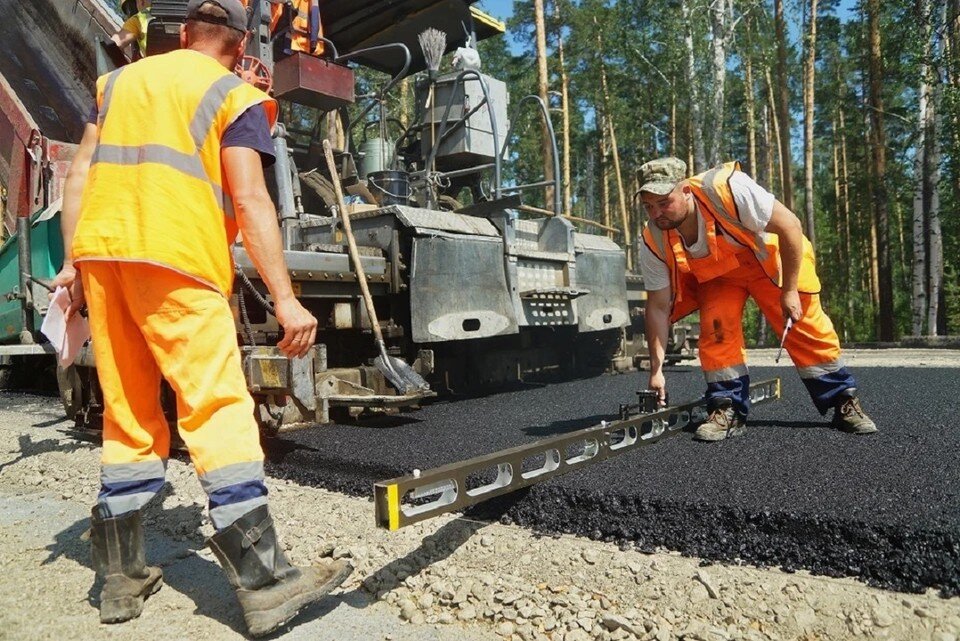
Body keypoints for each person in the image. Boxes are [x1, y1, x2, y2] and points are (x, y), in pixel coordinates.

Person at [52, 0, 352, 635]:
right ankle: (266, 583)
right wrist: (286, 297)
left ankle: (120, 580)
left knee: (128, 413)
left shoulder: (117, 84)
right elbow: (249, 198)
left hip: (104, 260)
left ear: (183, 34)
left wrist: (74, 266)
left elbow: (77, 175)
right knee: (215, 409)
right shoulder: (233, 94)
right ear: (241, 45)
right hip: (179, 261)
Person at [637, 157, 877, 441]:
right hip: (720, 275)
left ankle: (843, 400)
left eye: (664, 203)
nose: (657, 214)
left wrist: (788, 292)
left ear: (686, 190)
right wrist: (656, 370)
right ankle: (726, 408)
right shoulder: (653, 237)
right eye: (649, 206)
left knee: (804, 327)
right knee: (716, 331)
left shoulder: (728, 189)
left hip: (770, 264)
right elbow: (658, 306)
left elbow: (791, 226)